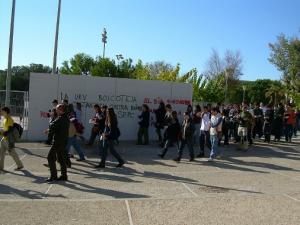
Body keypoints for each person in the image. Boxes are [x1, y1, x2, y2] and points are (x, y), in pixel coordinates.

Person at [44, 104, 69, 182]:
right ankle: (64, 175)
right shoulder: (66, 118)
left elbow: (52, 125)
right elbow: (56, 127)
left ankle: (54, 176)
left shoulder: (60, 118)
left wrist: (53, 117)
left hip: (58, 141)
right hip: (63, 141)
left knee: (50, 157)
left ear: (61, 110)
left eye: (57, 109)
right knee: (61, 158)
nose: (55, 110)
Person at [0, 107, 24, 172]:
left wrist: (3, 133)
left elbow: (10, 130)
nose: (1, 112)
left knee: (13, 153)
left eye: (2, 111)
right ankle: (1, 167)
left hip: (8, 140)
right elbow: (5, 129)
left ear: (5, 112)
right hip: (3, 139)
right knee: (1, 154)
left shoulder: (9, 119)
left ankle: (20, 165)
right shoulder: (5, 119)